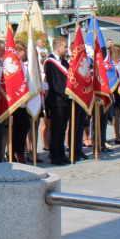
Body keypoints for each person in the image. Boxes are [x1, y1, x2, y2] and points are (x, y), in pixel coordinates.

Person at [43, 36, 71, 165]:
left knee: (63, 128)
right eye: (65, 47)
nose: (67, 50)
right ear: (58, 47)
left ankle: (61, 153)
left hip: (66, 100)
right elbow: (53, 83)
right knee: (56, 128)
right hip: (56, 100)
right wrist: (65, 93)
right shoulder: (50, 62)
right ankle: (54, 155)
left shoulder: (65, 62)